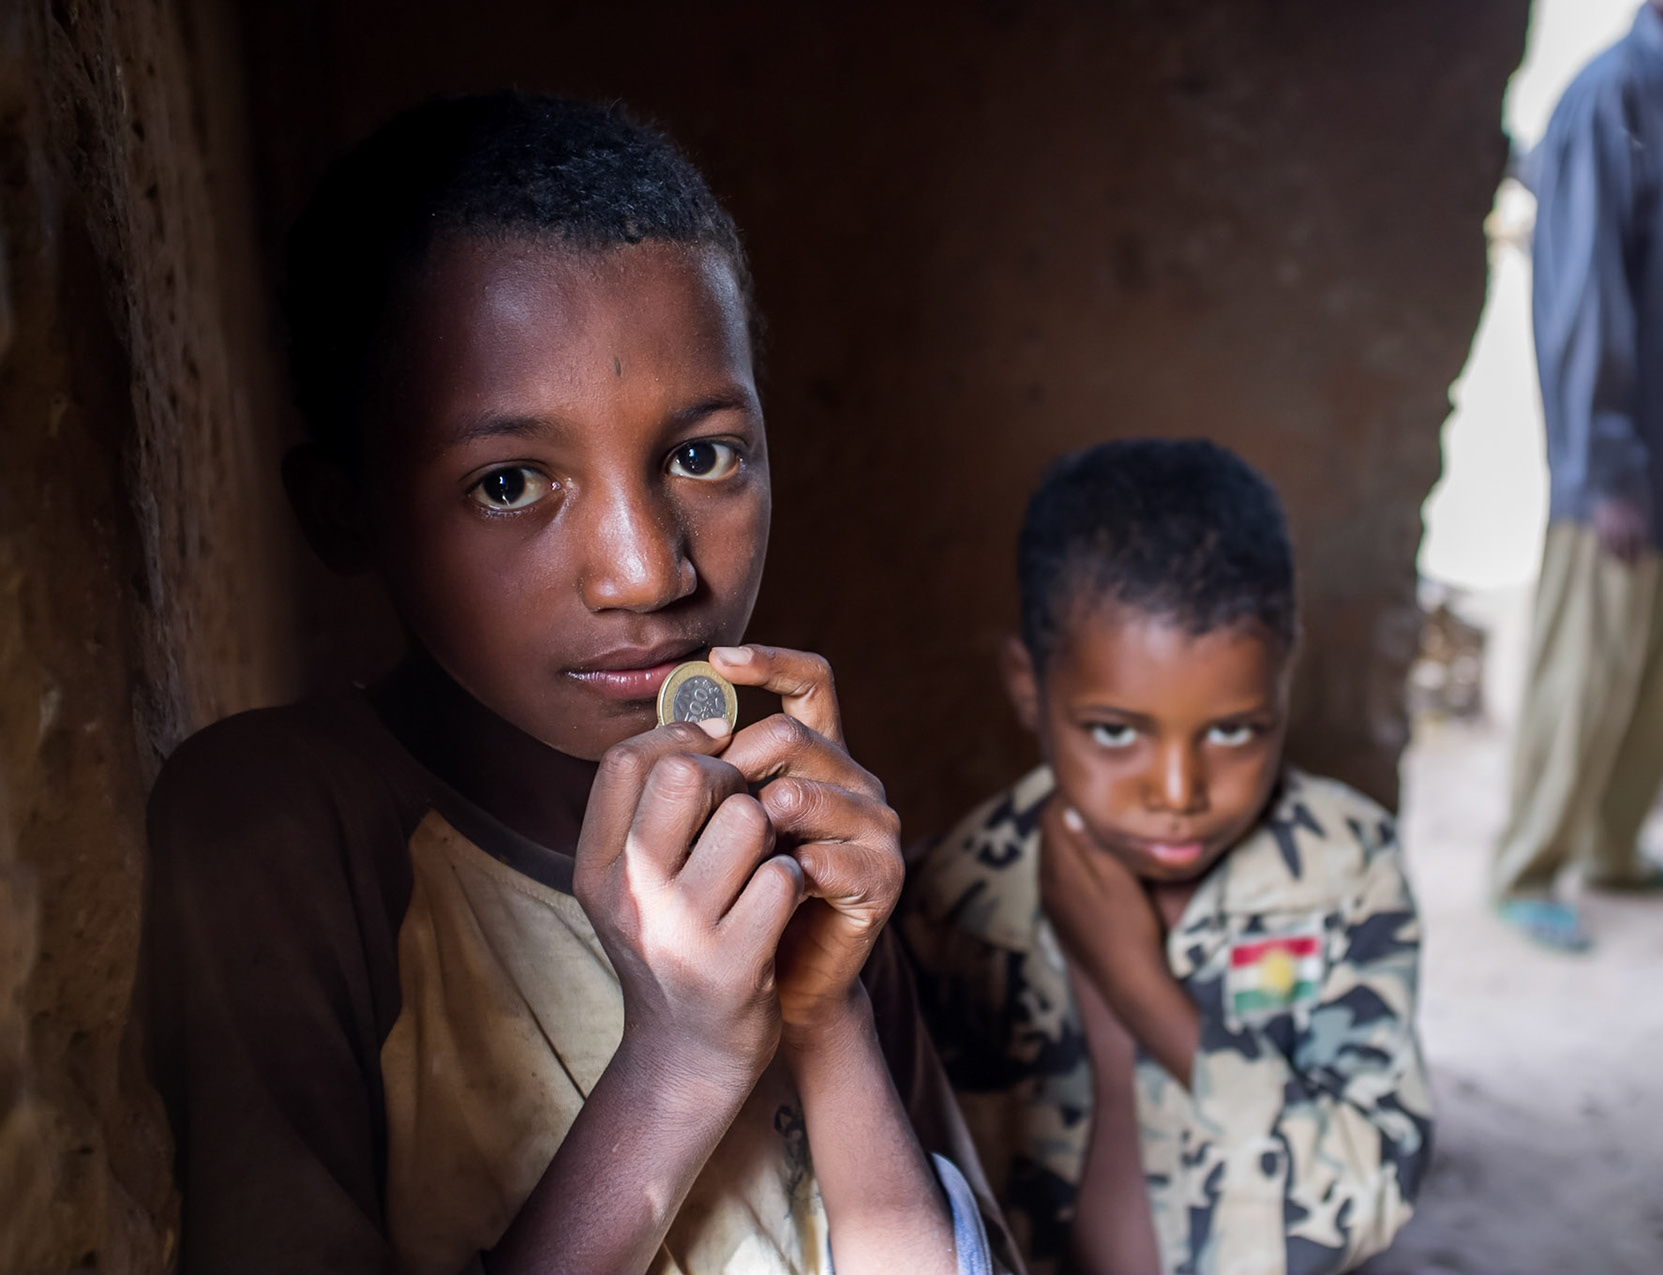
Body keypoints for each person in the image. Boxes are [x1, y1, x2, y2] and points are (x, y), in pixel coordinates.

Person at [141, 92, 1017, 1275]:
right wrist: (679, 1063)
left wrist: (827, 1013)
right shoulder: (278, 827)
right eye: (509, 483)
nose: (646, 572)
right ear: (344, 513)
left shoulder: (794, 836)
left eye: (702, 456)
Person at [900, 440, 1431, 1275]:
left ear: (1286, 676)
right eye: (1115, 732)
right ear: (1028, 686)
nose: (1179, 790)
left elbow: (1371, 1194)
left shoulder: (1344, 874)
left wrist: (1144, 993)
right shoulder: (947, 902)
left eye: (1233, 730)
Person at [1492, 0, 1663, 951]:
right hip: (1625, 472)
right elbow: (1582, 300)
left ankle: (1618, 846)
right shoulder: (1610, 97)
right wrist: (1608, 467)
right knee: (1585, 674)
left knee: (1660, 679)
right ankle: (1531, 864)